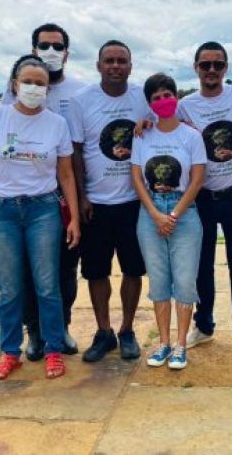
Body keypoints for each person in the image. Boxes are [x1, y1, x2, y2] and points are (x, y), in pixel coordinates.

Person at [0, 55, 80, 380]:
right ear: (15, 85)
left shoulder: (56, 124)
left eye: (39, 83)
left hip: (43, 209)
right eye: (27, 82)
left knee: (47, 285)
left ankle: (53, 348)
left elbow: (66, 174)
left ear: (47, 89)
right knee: (10, 287)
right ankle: (10, 351)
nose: (33, 88)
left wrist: (73, 218)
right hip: (2, 211)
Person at [0, 23, 86, 360]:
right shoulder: (12, 93)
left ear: (67, 53)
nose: (51, 52)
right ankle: (34, 332)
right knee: (26, 274)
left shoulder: (80, 91)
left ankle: (61, 328)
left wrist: (79, 202)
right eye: (44, 45)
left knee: (64, 269)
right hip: (21, 197)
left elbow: (79, 149)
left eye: (57, 46)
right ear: (33, 50)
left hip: (61, 194)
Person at [177, 42, 232, 359]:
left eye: (217, 64)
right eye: (205, 65)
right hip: (200, 196)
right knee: (202, 266)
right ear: (196, 68)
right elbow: (167, 129)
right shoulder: (185, 105)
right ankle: (204, 325)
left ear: (226, 68)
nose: (211, 70)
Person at [68, 40, 150, 363]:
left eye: (122, 61)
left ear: (130, 66)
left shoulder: (143, 97)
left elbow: (166, 126)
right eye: (109, 61)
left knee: (133, 269)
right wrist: (82, 195)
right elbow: (75, 151)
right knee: (96, 271)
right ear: (98, 65)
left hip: (134, 201)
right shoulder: (81, 101)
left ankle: (127, 330)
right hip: (96, 204)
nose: (116, 66)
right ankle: (104, 331)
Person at [131, 73, 206, 370]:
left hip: (184, 212)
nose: (163, 101)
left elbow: (197, 179)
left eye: (167, 95)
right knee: (159, 279)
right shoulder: (143, 135)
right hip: (150, 211)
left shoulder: (191, 136)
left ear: (176, 97)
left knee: (185, 280)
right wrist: (154, 213)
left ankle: (180, 344)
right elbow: (136, 177)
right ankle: (163, 342)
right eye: (157, 98)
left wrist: (173, 215)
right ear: (150, 103)